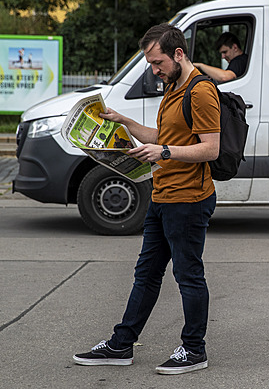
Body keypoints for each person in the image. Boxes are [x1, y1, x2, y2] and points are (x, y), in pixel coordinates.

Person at [73, 23, 221, 375]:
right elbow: (164, 135)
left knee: (188, 276)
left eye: (157, 63)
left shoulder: (200, 92)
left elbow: (211, 148)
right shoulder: (173, 86)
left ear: (178, 54)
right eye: (151, 64)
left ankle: (194, 349)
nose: (154, 70)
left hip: (188, 199)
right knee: (146, 274)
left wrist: (165, 152)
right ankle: (121, 345)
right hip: (163, 194)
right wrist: (123, 122)